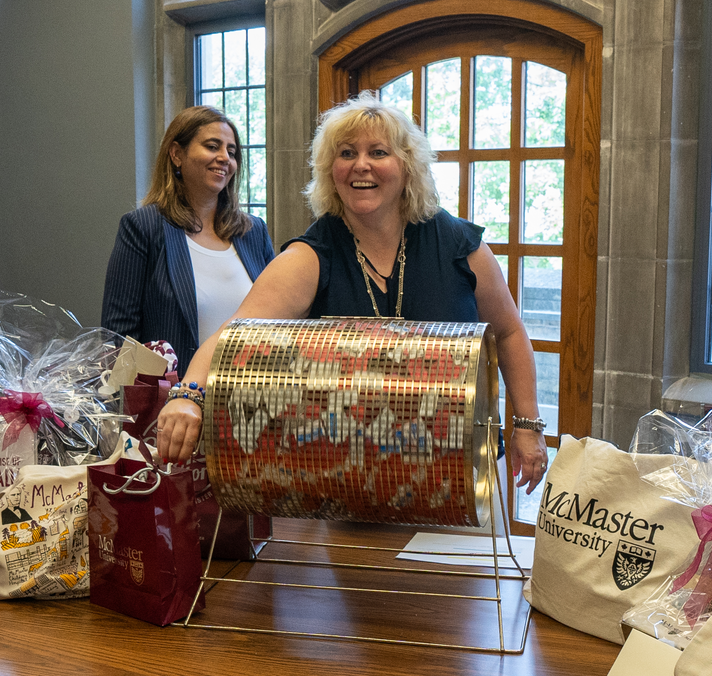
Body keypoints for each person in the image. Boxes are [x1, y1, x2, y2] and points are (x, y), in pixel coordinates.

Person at [156, 91, 549, 493]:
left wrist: (528, 425)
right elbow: (236, 333)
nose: (361, 165)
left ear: (407, 166)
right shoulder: (312, 255)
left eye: (378, 152)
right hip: (350, 482)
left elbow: (509, 332)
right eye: (346, 153)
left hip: (463, 475)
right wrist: (188, 395)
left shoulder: (458, 243)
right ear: (331, 170)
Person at [101, 105, 275, 369]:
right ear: (176, 154)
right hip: (173, 403)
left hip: (248, 400)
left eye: (231, 151)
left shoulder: (253, 232)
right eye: (212, 146)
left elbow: (278, 317)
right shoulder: (143, 227)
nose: (224, 158)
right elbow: (119, 339)